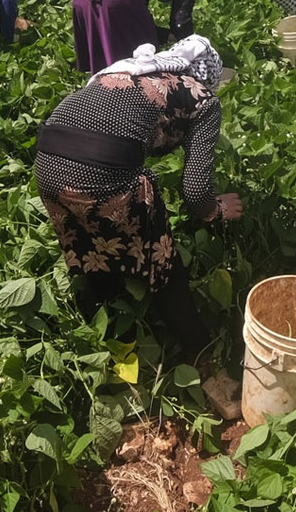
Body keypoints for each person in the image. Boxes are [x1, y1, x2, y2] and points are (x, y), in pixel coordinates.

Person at [34, 35, 241, 358]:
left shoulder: (128, 71)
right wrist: (214, 211)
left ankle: (109, 327)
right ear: (207, 78)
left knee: (88, 243)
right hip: (100, 172)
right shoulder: (203, 100)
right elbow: (196, 193)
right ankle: (198, 346)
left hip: (47, 162)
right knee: (162, 260)